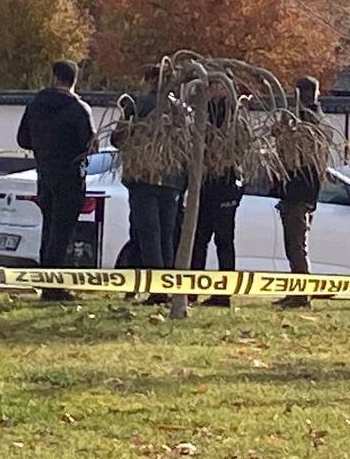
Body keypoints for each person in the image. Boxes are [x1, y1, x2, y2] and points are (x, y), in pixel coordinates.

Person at [16, 60, 96, 301]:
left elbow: (23, 139)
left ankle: (44, 282)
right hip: (70, 176)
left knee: (49, 228)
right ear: (74, 80)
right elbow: (89, 145)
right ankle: (55, 286)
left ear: (54, 77)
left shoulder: (35, 105)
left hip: (45, 173)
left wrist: (44, 146)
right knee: (63, 232)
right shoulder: (79, 109)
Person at [111, 65, 186, 305]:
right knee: (167, 234)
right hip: (173, 179)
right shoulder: (181, 110)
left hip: (143, 176)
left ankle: (155, 289)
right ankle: (166, 285)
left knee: (147, 233)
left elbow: (117, 139)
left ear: (150, 81)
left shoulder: (136, 104)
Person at [273, 76, 326, 309]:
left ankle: (302, 295)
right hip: (294, 193)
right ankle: (296, 291)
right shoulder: (303, 119)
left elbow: (295, 153)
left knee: (296, 245)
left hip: (300, 194)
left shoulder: (311, 122)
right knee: (293, 245)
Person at [190, 81, 243, 307]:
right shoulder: (204, 110)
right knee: (199, 240)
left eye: (214, 86)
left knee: (223, 240)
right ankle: (191, 290)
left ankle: (223, 293)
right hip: (206, 185)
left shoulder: (233, 115)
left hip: (225, 185)